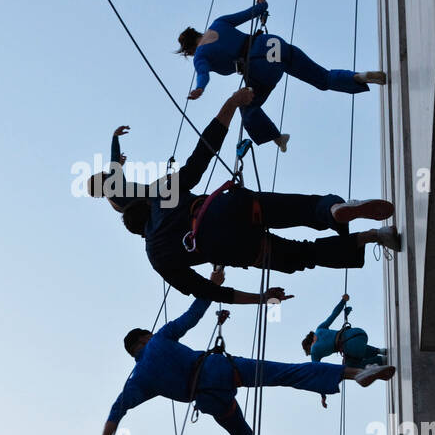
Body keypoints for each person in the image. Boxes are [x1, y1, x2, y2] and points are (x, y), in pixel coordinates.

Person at [85, 290, 395, 435]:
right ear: (144, 338)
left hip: (209, 400)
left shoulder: (139, 379)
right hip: (221, 370)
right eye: (148, 335)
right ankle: (355, 374)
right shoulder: (160, 340)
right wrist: (213, 282)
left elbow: (118, 409)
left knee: (241, 434)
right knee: (287, 373)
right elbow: (194, 313)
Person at [121, 88, 401, 303]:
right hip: (232, 208)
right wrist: (232, 103)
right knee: (304, 208)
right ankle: (334, 211)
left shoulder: (156, 255)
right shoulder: (160, 197)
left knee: (303, 256)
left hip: (240, 248)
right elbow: (201, 157)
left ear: (139, 234)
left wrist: (261, 299)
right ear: (144, 204)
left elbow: (205, 291)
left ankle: (372, 236)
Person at [177, 0, 385, 150]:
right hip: (272, 43)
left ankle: (277, 137)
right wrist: (262, 5)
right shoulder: (219, 23)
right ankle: (358, 76)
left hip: (260, 63)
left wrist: (199, 88)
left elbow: (203, 75)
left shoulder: (200, 56)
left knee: (246, 106)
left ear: (189, 50)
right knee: (323, 77)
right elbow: (255, 10)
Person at [303, 293, 387, 366]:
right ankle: (380, 351)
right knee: (353, 350)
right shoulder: (319, 329)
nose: (311, 354)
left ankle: (381, 360)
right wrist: (343, 300)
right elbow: (334, 314)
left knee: (350, 366)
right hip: (358, 333)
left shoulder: (314, 351)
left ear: (309, 346)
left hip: (351, 345)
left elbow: (316, 368)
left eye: (309, 353)